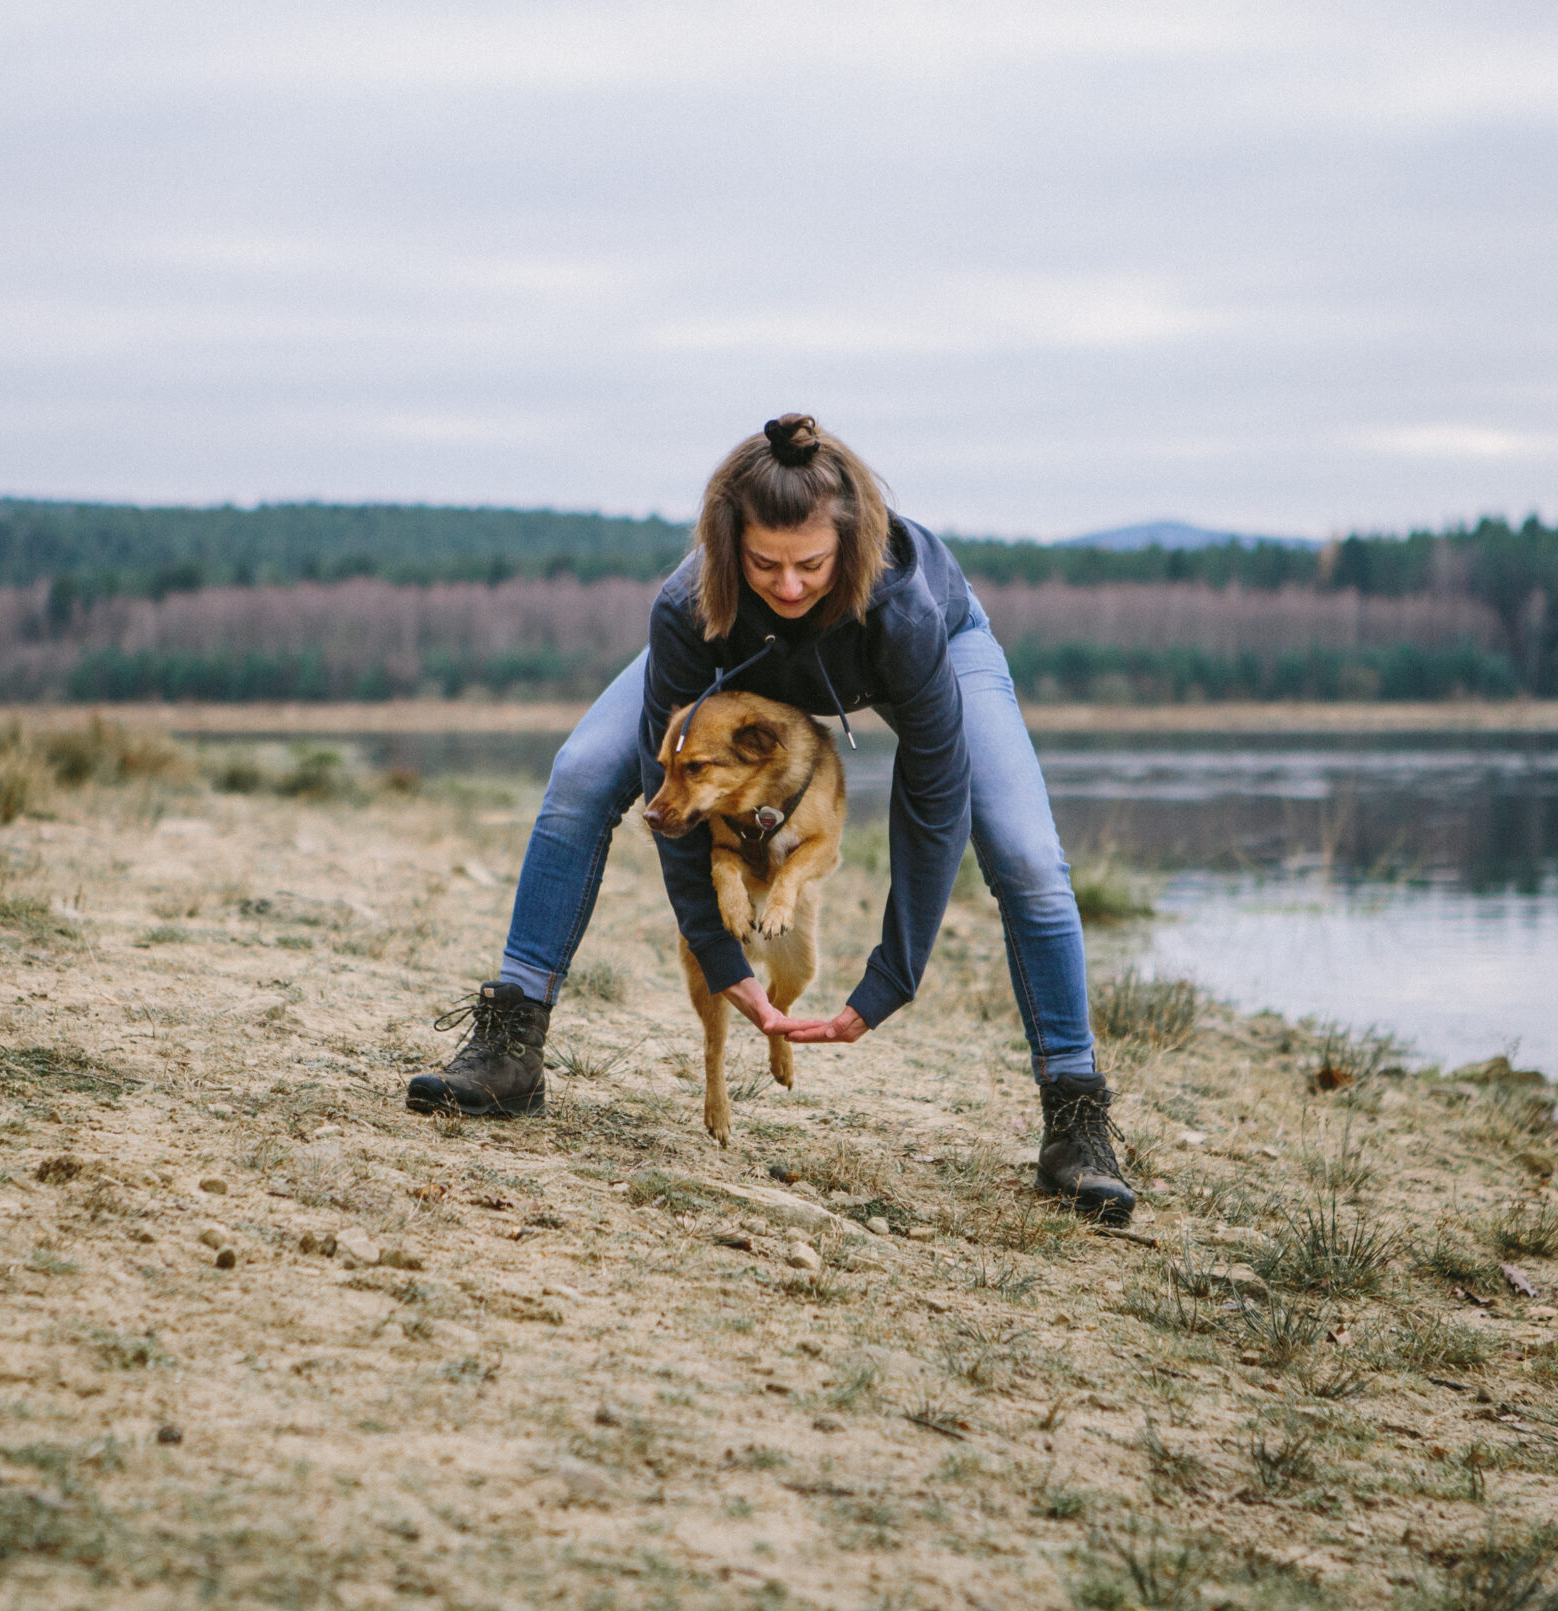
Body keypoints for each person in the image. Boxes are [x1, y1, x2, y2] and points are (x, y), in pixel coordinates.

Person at [406, 414, 1135, 1223]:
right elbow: (673, 803)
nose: (789, 587)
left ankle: (1075, 1118)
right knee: (580, 774)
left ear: (849, 546)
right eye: (765, 564)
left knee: (1029, 857)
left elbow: (932, 802)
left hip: (933, 645)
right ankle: (510, 1047)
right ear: (730, 548)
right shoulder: (690, 604)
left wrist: (891, 975)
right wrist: (722, 958)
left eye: (811, 565)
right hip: (739, 659)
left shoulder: (903, 611)